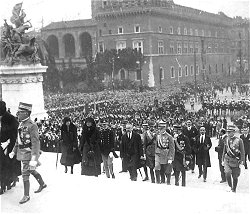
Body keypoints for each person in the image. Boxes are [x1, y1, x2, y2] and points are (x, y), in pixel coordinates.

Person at [9, 102, 47, 204]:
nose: (18, 114)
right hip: (21, 153)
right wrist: (13, 151)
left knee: (25, 173)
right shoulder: (21, 124)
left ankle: (26, 195)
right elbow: (18, 140)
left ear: (26, 113)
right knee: (31, 170)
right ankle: (42, 184)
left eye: (20, 112)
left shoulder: (32, 126)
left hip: (29, 153)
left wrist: (34, 160)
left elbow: (36, 143)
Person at [0, 101, 20, 195]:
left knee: (6, 166)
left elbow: (15, 136)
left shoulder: (12, 119)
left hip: (9, 147)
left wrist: (7, 143)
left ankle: (6, 183)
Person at [222, 125, 245, 193]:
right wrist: (222, 160)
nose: (228, 133)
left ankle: (234, 188)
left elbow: (242, 152)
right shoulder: (226, 140)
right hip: (227, 159)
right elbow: (224, 150)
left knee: (235, 177)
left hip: (235, 160)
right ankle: (229, 186)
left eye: (230, 132)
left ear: (234, 132)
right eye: (228, 132)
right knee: (227, 173)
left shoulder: (239, 140)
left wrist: (242, 161)